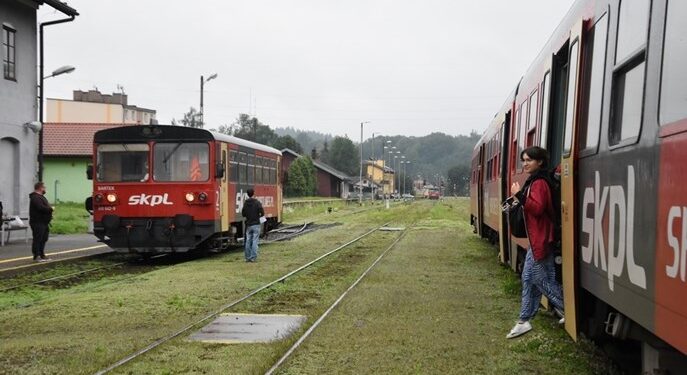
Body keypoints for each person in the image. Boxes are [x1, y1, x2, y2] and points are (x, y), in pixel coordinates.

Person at [506, 146, 564, 339]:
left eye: (529, 160)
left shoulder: (539, 183)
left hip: (541, 238)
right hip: (538, 238)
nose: (525, 164)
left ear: (540, 161)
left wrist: (520, 196)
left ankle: (565, 308)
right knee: (529, 278)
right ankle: (524, 320)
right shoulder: (537, 180)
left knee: (538, 278)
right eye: (523, 160)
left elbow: (538, 209)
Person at [29, 182, 54, 262]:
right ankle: (36, 256)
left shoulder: (41, 197)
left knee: (44, 238)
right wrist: (50, 209)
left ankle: (42, 254)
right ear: (40, 188)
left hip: (44, 222)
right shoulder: (35, 197)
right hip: (37, 222)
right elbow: (40, 207)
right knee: (38, 239)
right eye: (44, 187)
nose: (45, 189)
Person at [241, 189, 264, 262]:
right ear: (253, 194)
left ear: (247, 194)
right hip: (256, 224)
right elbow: (262, 212)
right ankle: (253, 257)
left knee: (248, 241)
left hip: (248, 225)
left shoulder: (245, 203)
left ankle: (247, 258)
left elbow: (243, 214)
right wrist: (259, 215)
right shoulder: (257, 202)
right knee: (255, 241)